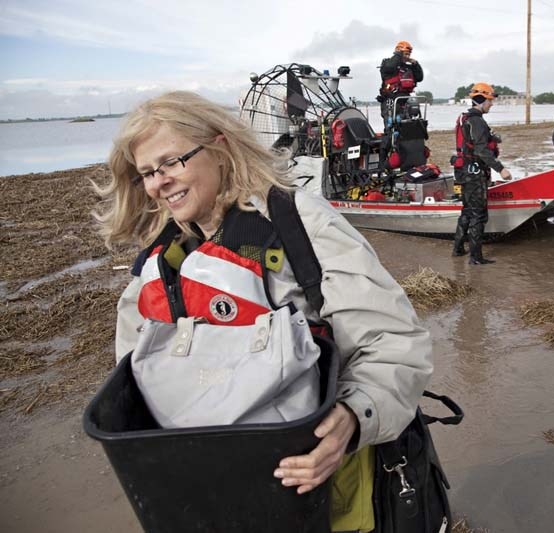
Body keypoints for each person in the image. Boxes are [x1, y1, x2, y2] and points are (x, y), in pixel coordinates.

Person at [94, 91, 433, 531]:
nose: (158, 183)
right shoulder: (161, 258)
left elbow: (395, 342)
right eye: (146, 174)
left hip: (326, 492)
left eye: (170, 162)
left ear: (218, 146)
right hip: (216, 498)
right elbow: (133, 369)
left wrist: (353, 418)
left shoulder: (299, 224)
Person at [451, 82, 512, 265]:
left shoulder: (465, 118)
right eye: (490, 101)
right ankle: (475, 258)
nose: (491, 104)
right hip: (474, 173)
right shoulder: (477, 121)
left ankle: (458, 248)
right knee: (478, 215)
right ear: (481, 99)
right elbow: (481, 151)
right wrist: (500, 168)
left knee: (467, 211)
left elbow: (473, 143)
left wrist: (492, 138)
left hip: (464, 171)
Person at [378, 40, 424, 128]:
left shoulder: (408, 67)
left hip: (405, 100)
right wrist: (398, 55)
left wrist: (415, 64)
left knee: (410, 126)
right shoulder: (387, 64)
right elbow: (389, 67)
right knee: (391, 127)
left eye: (408, 54)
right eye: (405, 54)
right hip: (390, 100)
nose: (407, 56)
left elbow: (419, 77)